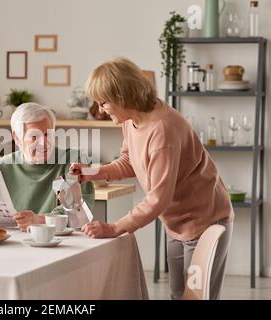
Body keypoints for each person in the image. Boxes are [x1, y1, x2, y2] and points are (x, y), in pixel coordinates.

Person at [70, 58, 233, 300]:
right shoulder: (131, 121)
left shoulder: (163, 130)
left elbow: (158, 198)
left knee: (197, 297)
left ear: (122, 97)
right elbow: (129, 162)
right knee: (179, 294)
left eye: (104, 102)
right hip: (177, 223)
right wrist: (92, 172)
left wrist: (115, 228)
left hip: (205, 220)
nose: (101, 109)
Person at [0, 103, 95, 231]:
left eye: (48, 134)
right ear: (17, 138)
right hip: (11, 247)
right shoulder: (3, 167)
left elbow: (81, 217)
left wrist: (39, 220)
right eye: (34, 137)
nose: (43, 143)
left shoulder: (74, 161)